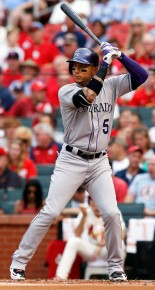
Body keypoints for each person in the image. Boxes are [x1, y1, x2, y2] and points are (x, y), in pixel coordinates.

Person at [10, 42, 148, 281]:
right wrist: (106, 62)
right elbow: (88, 97)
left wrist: (121, 55)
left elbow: (142, 75)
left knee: (112, 214)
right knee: (51, 211)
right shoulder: (66, 91)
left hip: (99, 162)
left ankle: (115, 267)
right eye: (74, 66)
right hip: (71, 160)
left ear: (93, 70)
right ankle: (19, 262)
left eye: (83, 67)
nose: (76, 71)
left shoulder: (112, 85)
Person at [55, 197, 126, 280]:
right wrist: (84, 216)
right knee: (73, 241)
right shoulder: (86, 212)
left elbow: (123, 234)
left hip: (107, 249)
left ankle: (118, 274)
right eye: (91, 199)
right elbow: (77, 234)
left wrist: (103, 243)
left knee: (121, 243)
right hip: (92, 250)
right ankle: (61, 276)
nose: (94, 202)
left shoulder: (112, 211)